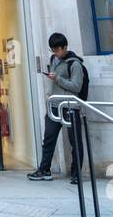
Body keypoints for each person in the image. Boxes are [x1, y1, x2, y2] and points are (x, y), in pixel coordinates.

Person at [27, 32, 89, 183]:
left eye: (57, 50)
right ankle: (44, 170)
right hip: (54, 106)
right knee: (48, 139)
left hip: (70, 106)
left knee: (75, 141)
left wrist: (58, 79)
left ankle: (76, 174)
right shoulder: (54, 59)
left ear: (65, 47)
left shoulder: (75, 64)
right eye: (52, 50)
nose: (55, 53)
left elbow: (76, 86)